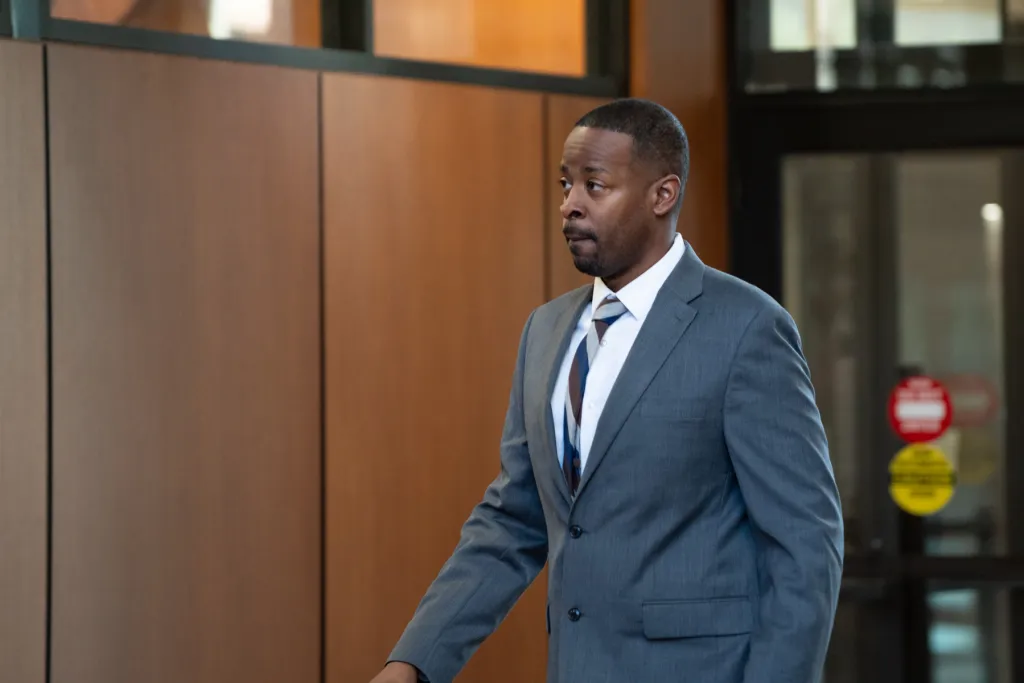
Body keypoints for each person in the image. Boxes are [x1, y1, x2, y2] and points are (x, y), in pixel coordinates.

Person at [369, 98, 844, 683]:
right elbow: (513, 520)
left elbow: (804, 543)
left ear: (662, 195)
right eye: (566, 185)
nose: (570, 205)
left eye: (595, 186)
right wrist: (415, 661)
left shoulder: (746, 328)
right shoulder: (545, 331)